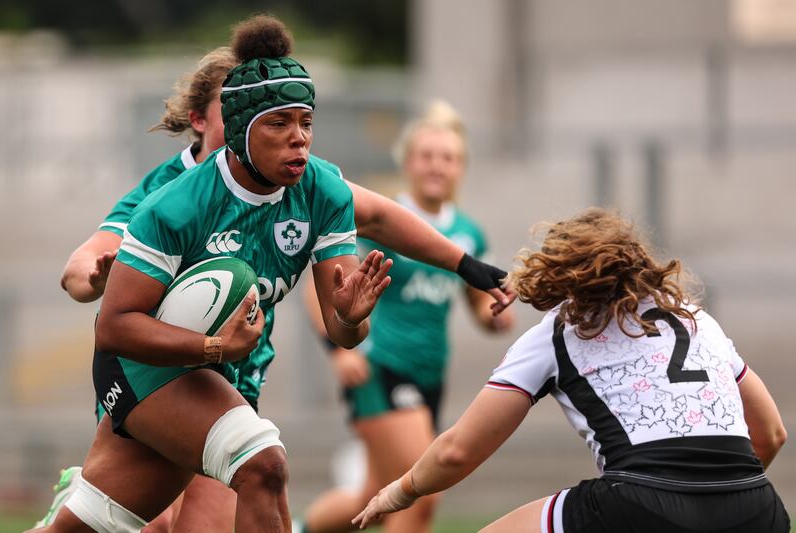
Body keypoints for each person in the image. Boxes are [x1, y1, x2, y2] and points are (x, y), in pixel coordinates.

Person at [36, 15, 514, 533]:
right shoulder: (170, 200)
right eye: (279, 122)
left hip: (234, 376)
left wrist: (361, 316)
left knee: (107, 522)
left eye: (305, 122)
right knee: (257, 465)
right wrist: (101, 278)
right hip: (149, 367)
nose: (299, 139)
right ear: (224, 120)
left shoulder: (315, 187)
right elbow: (98, 297)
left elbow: (369, 238)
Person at [353, 208, 790, 533]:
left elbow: (456, 452)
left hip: (638, 502)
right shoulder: (695, 317)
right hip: (758, 508)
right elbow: (771, 434)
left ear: (559, 273)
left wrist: (401, 491)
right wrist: (719, 498)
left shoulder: (562, 330)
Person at [302, 101, 514, 533]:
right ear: (408, 163)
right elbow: (319, 287)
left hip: (430, 372)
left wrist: (494, 317)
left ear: (461, 167)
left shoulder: (469, 233)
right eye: (427, 156)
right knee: (420, 494)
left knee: (372, 497)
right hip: (381, 367)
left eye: (448, 158)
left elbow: (476, 303)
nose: (437, 166)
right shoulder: (382, 220)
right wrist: (337, 351)